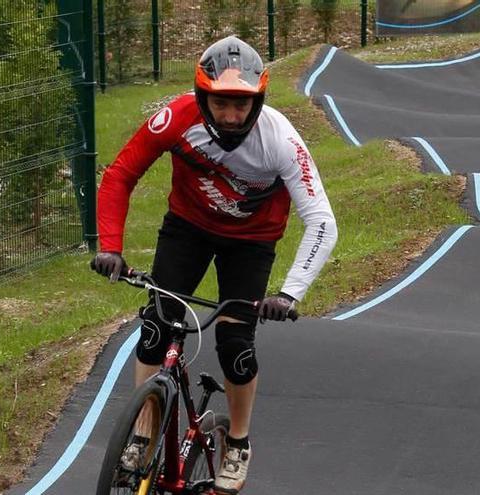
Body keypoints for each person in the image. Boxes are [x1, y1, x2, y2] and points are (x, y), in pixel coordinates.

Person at [90, 35, 338, 494]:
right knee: (155, 326)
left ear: (258, 100)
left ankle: (238, 443)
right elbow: (121, 173)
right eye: (221, 104)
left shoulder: (281, 140)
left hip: (251, 243)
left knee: (234, 344)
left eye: (242, 106)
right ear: (203, 97)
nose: (230, 116)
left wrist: (288, 293)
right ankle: (142, 435)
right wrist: (111, 246)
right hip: (187, 228)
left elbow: (322, 221)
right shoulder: (176, 119)